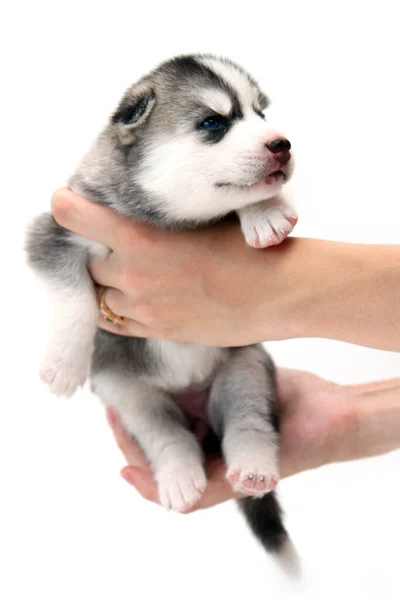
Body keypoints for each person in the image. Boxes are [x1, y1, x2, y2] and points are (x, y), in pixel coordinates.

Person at [51, 188, 400, 510]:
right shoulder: (112, 188)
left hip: (221, 363)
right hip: (136, 373)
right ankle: (172, 453)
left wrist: (258, 210)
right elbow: (50, 247)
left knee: (246, 370)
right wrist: (71, 337)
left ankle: (249, 443)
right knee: (121, 391)